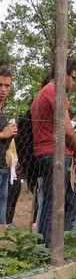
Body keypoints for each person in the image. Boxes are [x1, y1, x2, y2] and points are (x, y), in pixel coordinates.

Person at [31, 58, 76, 246]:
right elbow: (68, 130)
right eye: (73, 77)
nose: (73, 82)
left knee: (72, 204)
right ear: (63, 74)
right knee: (52, 205)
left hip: (53, 154)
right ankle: (47, 248)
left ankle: (59, 245)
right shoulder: (54, 92)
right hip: (54, 155)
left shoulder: (42, 93)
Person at [0, 67, 18, 225]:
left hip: (4, 170)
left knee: (1, 224)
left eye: (7, 85)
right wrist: (3, 134)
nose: (3, 89)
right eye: (0, 85)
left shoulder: (3, 113)